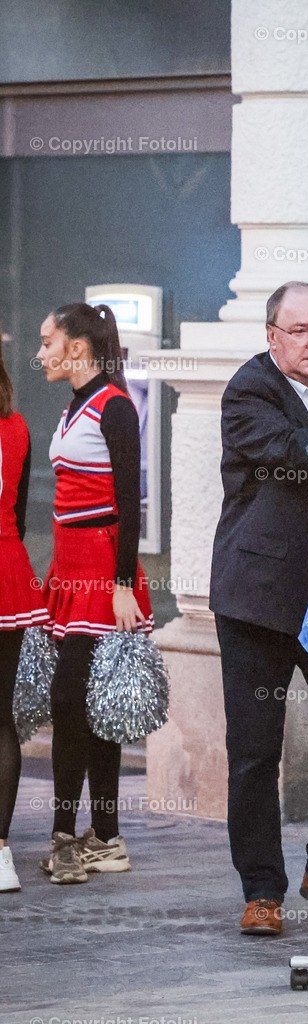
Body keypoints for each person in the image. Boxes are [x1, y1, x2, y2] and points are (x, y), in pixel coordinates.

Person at [210, 281, 308, 936]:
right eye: (298, 330)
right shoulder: (248, 391)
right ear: (272, 336)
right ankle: (261, 892)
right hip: (259, 598)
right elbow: (297, 460)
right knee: (253, 750)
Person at [36, 303, 154, 884]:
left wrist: (124, 585)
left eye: (48, 341)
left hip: (103, 576)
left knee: (76, 703)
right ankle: (104, 837)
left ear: (77, 347)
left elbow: (131, 503)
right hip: (70, 569)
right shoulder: (75, 404)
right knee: (85, 705)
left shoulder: (116, 406)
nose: (41, 353)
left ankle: (70, 837)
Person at [0, 342, 50, 892]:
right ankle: (1, 856)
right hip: (7, 572)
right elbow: (14, 511)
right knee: (1, 721)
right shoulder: (15, 427)